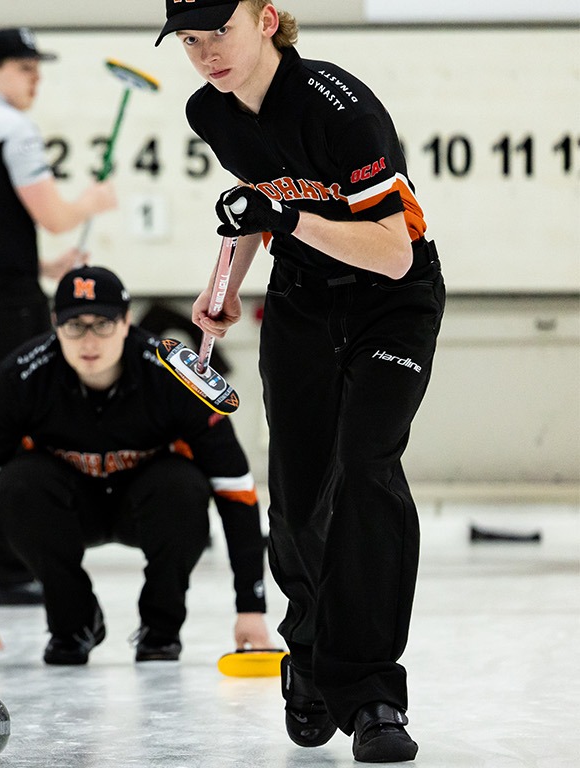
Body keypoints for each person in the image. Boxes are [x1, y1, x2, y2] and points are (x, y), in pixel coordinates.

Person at [157, 1, 444, 762]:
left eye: (220, 31)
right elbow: (256, 202)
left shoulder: (341, 109)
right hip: (301, 305)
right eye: (190, 40)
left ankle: (373, 692)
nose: (206, 53)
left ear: (266, 19)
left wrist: (282, 217)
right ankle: (310, 656)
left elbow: (393, 254)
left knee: (365, 468)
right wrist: (224, 288)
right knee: (298, 494)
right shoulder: (211, 110)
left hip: (391, 305)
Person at [0, 265, 270, 668]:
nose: (88, 341)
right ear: (54, 324)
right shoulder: (21, 377)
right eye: (74, 326)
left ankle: (161, 628)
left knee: (182, 484)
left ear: (126, 321)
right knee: (18, 484)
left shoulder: (174, 376)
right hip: (68, 509)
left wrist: (251, 608)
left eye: (102, 325)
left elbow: (235, 488)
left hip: (147, 507)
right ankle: (73, 624)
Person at [0, 28, 119, 597]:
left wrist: (40, 265)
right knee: (15, 428)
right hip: (3, 307)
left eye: (37, 68)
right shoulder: (12, 127)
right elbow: (54, 215)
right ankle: (4, 566)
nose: (35, 78)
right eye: (23, 67)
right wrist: (93, 201)